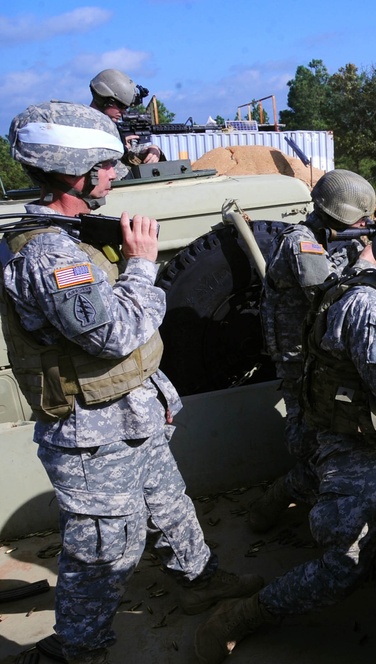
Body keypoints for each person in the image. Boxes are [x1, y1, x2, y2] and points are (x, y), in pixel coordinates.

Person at [1, 101, 264, 664]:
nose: (117, 174)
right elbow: (113, 336)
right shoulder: (49, 254)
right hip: (91, 435)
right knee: (102, 549)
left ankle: (200, 581)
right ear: (74, 171)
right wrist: (144, 263)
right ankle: (78, 649)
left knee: (169, 504)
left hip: (129, 411)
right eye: (106, 165)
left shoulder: (69, 233)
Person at [194, 207, 376, 663]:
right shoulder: (367, 307)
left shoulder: (368, 275)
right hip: (357, 444)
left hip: (345, 428)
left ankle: (265, 508)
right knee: (348, 561)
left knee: (312, 474)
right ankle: (241, 616)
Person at [249, 169, 376, 532]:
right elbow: (327, 294)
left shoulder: (332, 238)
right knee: (308, 437)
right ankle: (278, 506)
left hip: (322, 354)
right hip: (298, 357)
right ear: (338, 215)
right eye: (360, 218)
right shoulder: (301, 241)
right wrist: (366, 261)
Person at [88, 68, 163, 170]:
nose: (124, 111)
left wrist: (153, 149)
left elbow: (126, 154)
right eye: (120, 105)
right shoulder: (86, 127)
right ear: (104, 99)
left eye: (126, 107)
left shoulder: (111, 126)